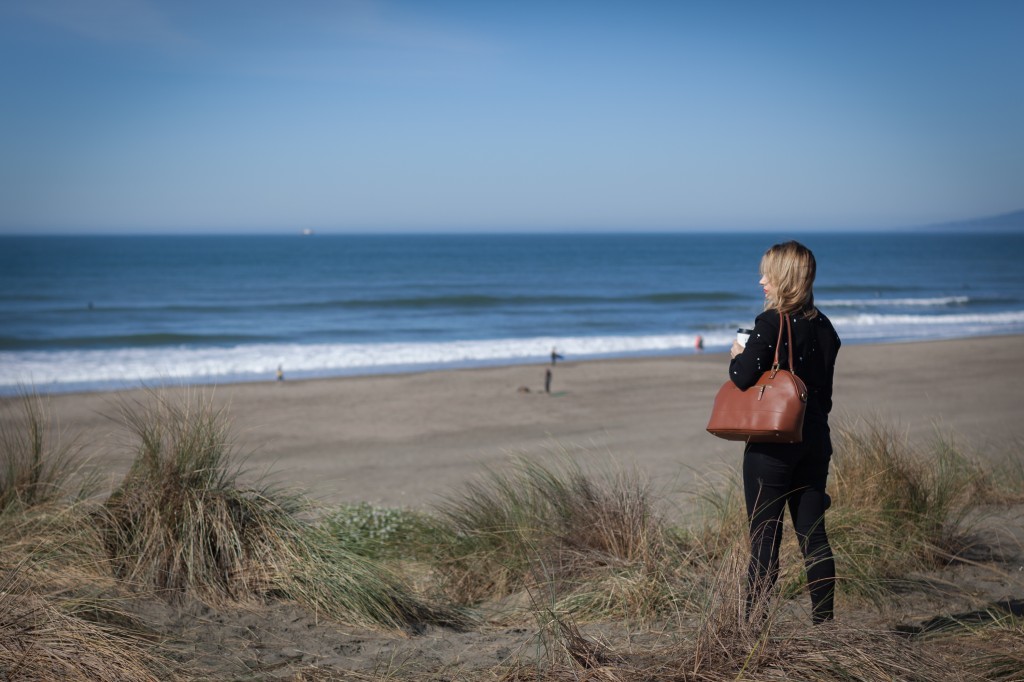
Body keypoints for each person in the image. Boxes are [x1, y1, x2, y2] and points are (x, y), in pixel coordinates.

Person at [727, 240, 840, 625]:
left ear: (785, 278)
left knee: (764, 541)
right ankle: (824, 627)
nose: (761, 280)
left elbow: (743, 378)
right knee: (814, 537)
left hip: (774, 445)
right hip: (815, 442)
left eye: (768, 274)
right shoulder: (826, 328)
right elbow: (822, 396)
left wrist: (736, 354)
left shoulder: (772, 322)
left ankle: (753, 632)